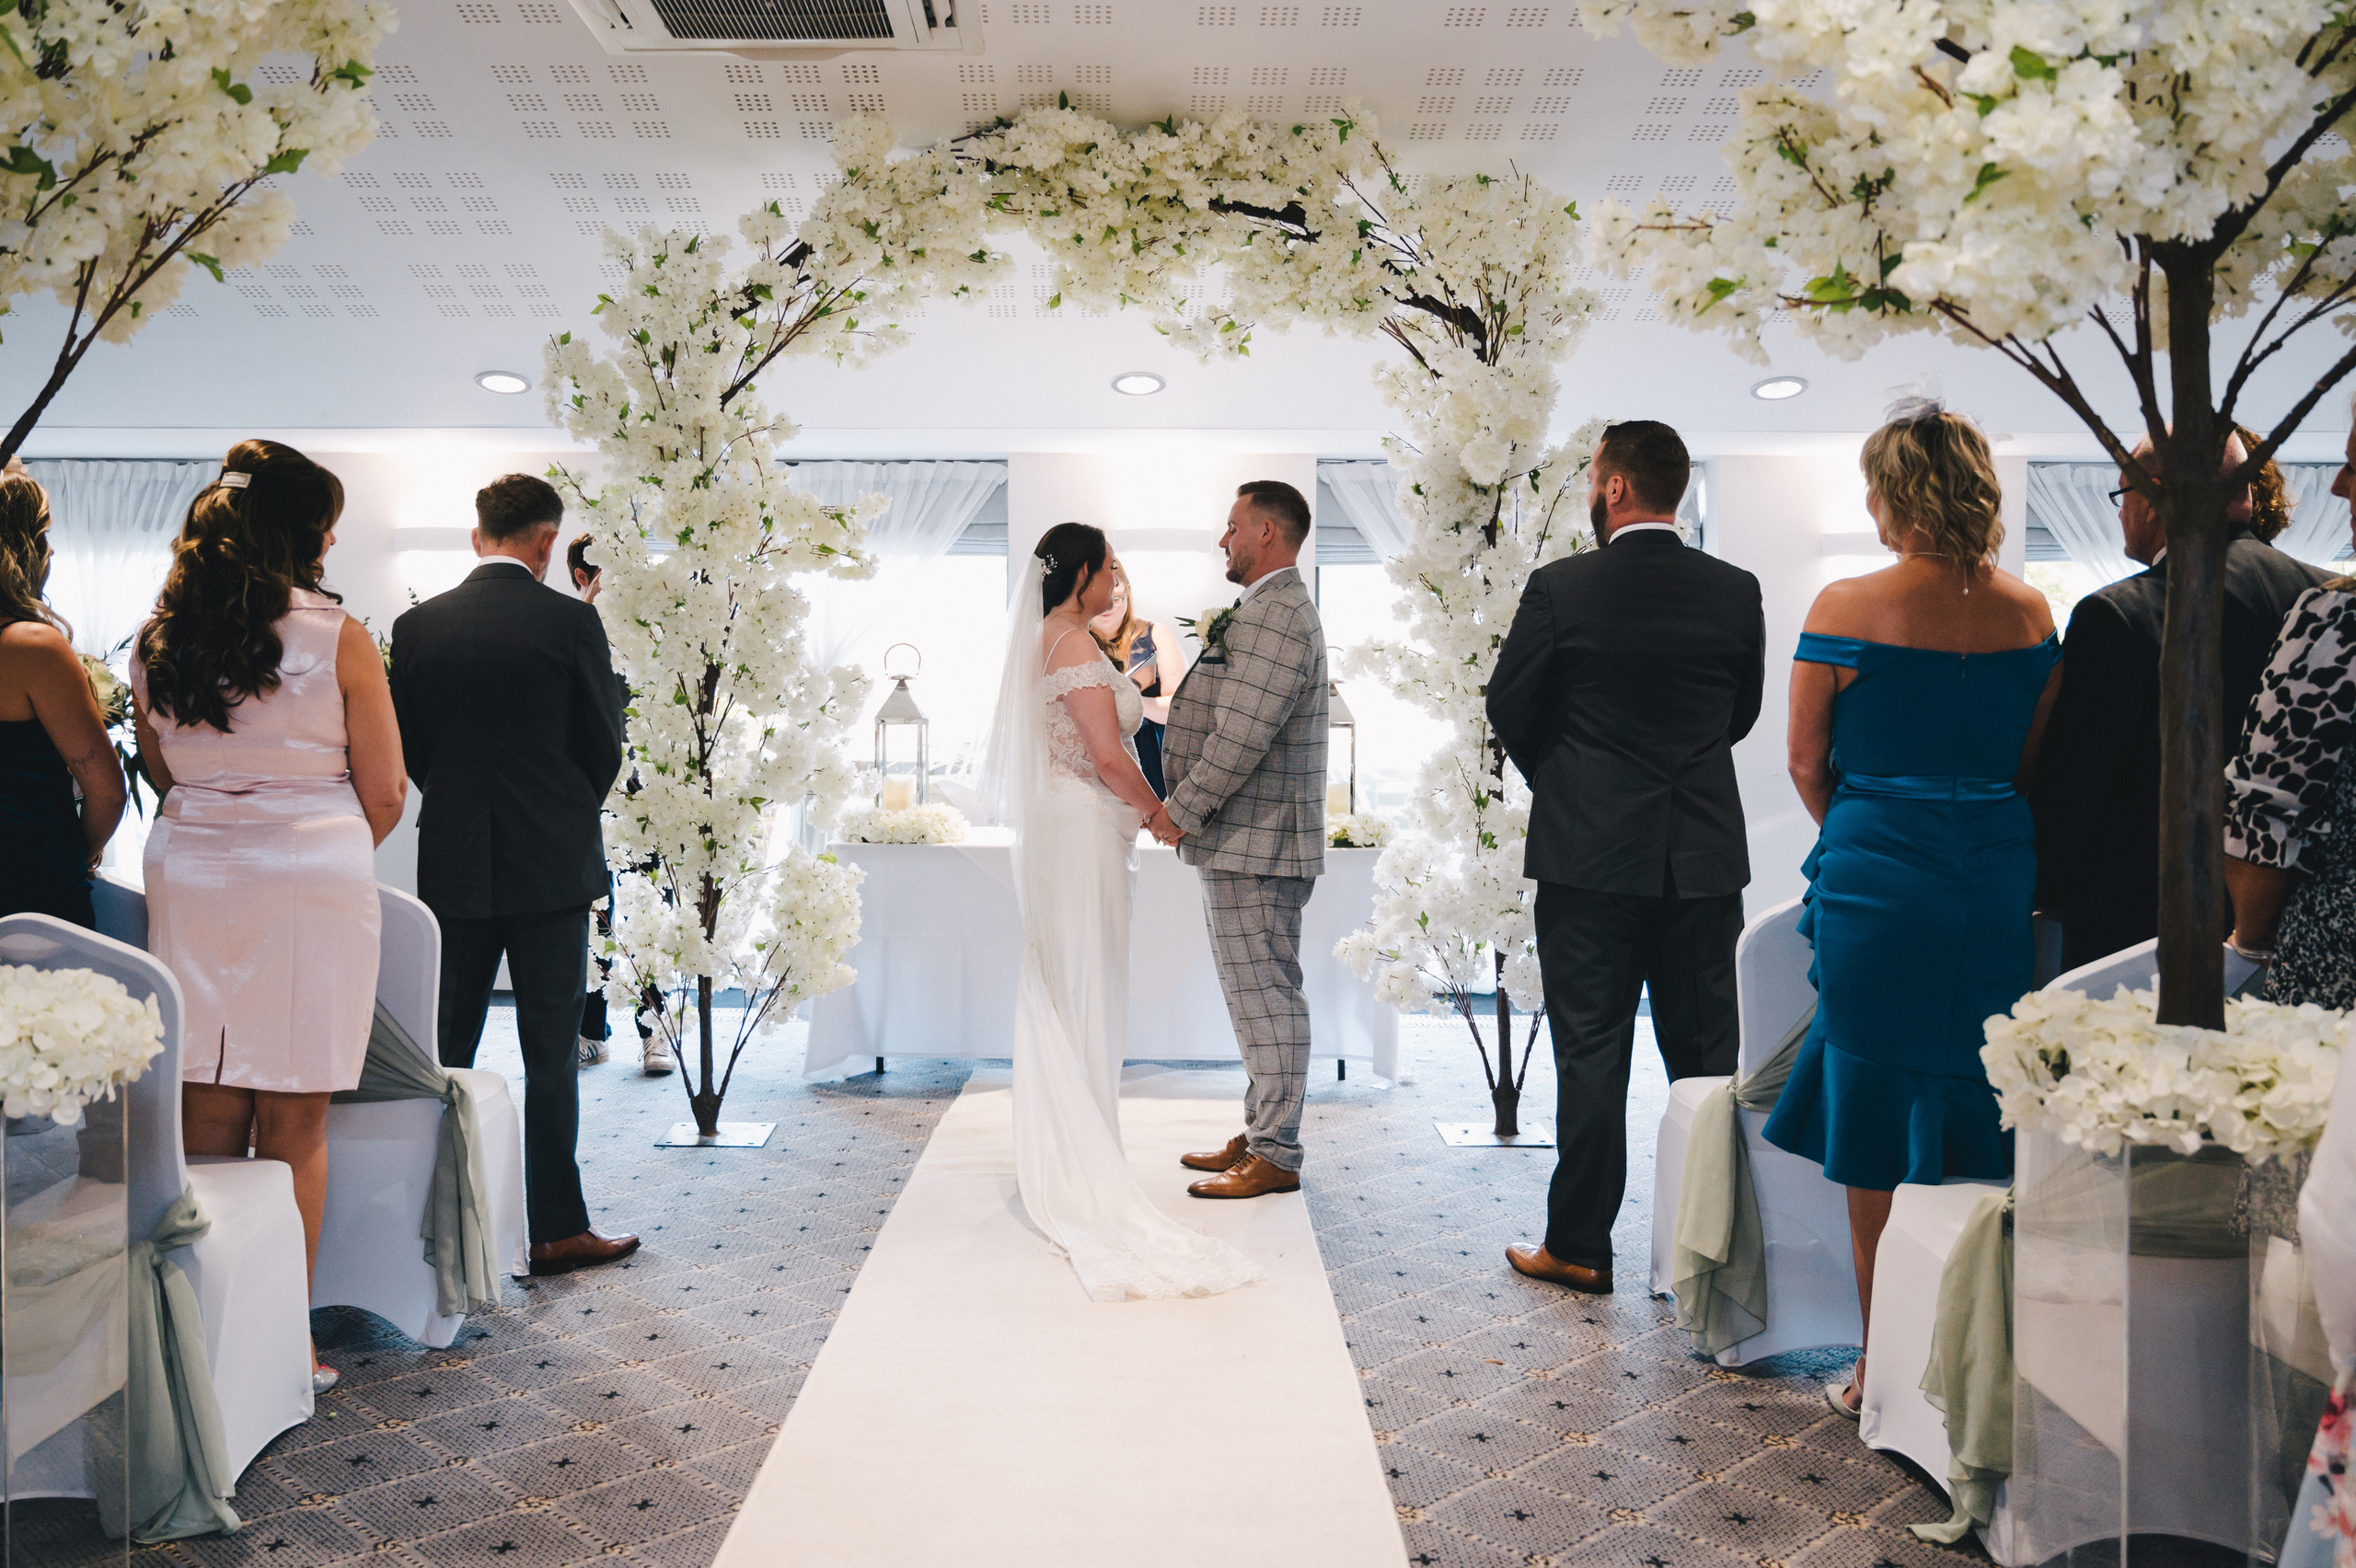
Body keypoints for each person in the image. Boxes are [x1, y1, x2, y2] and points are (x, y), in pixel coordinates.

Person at [1759, 401, 2062, 1416]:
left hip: (1878, 875)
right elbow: (2025, 765)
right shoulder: (2032, 615)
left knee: (1874, 1118)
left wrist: (1866, 829)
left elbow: (1804, 762)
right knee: (1982, 1095)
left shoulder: (1846, 605)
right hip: (1993, 874)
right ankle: (1971, 1361)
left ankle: (1881, 1365)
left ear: (1897, 494)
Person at [130, 441, 404, 1391]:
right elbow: (385, 791)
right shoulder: (337, 636)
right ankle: (286, 1346)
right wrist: (315, 850)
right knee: (296, 1115)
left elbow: (163, 771)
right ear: (302, 533)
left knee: (205, 1104)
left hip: (192, 870)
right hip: (310, 874)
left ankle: (207, 1343)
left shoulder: (158, 638)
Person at [1486, 420, 1765, 1296]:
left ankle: (1579, 1246)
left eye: (1591, 480)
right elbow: (1741, 713)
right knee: (1708, 1059)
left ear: (1613, 487)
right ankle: (1713, 1261)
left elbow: (1509, 705)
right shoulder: (1735, 590)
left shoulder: (1562, 587)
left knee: (1592, 1053)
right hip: (1702, 859)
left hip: (1587, 860)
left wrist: (1572, 781)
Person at [978, 521, 1261, 1300]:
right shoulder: (1069, 642)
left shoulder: (1052, 637)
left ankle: (1073, 1140)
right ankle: (1080, 1160)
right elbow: (1107, 757)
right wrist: (1161, 814)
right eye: (1109, 568)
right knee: (1085, 976)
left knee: (1069, 976)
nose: (1116, 582)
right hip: (1082, 830)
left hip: (1075, 827)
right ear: (1081, 575)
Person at [390, 475, 637, 1277]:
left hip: (453, 860)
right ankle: (557, 1230)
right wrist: (559, 811)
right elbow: (604, 744)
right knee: (550, 1054)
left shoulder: (416, 627)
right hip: (552, 868)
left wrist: (462, 805)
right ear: (547, 542)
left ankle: (427, 1233)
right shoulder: (571, 622)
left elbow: (411, 749)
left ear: (478, 537)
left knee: (444, 1050)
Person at [2033, 428, 2327, 972]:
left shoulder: (2118, 615)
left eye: (2123, 493)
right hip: (2302, 917)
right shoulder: (2329, 602)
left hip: (2148, 923)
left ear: (2154, 498)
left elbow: (2075, 786)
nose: (2121, 512)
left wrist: (2047, 895)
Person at [1153, 480, 1331, 1201]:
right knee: (1252, 994)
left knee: (1267, 996)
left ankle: (1277, 1152)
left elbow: (1243, 734)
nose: (1222, 540)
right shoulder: (1267, 607)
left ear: (1265, 531)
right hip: (1245, 841)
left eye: (1232, 526)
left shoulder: (1280, 614)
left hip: (1259, 842)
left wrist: (1182, 809)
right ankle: (1262, 1130)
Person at [2223, 412, 2356, 1010]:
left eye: (2354, 466)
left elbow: (2266, 809)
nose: (2339, 486)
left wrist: (2249, 940)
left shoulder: (2337, 620)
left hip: (2337, 958)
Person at [0, 466, 126, 925]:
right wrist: (77, 856)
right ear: (18, 547)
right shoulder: (32, 646)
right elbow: (108, 793)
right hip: (31, 886)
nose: (50, 549)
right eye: (42, 535)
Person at [562, 534, 666, 1075]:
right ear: (583, 577)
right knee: (595, 916)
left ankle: (656, 1031)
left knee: (650, 915)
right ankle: (591, 1030)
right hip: (586, 797)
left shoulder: (652, 634)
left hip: (646, 798)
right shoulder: (566, 631)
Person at [1090, 561, 1182, 800]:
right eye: (1101, 598)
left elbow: (1180, 709)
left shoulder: (1156, 634)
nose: (1108, 606)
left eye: (1116, 598)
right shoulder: (1078, 642)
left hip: (1150, 751)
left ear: (1128, 593)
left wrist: (1130, 702)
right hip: (1095, 753)